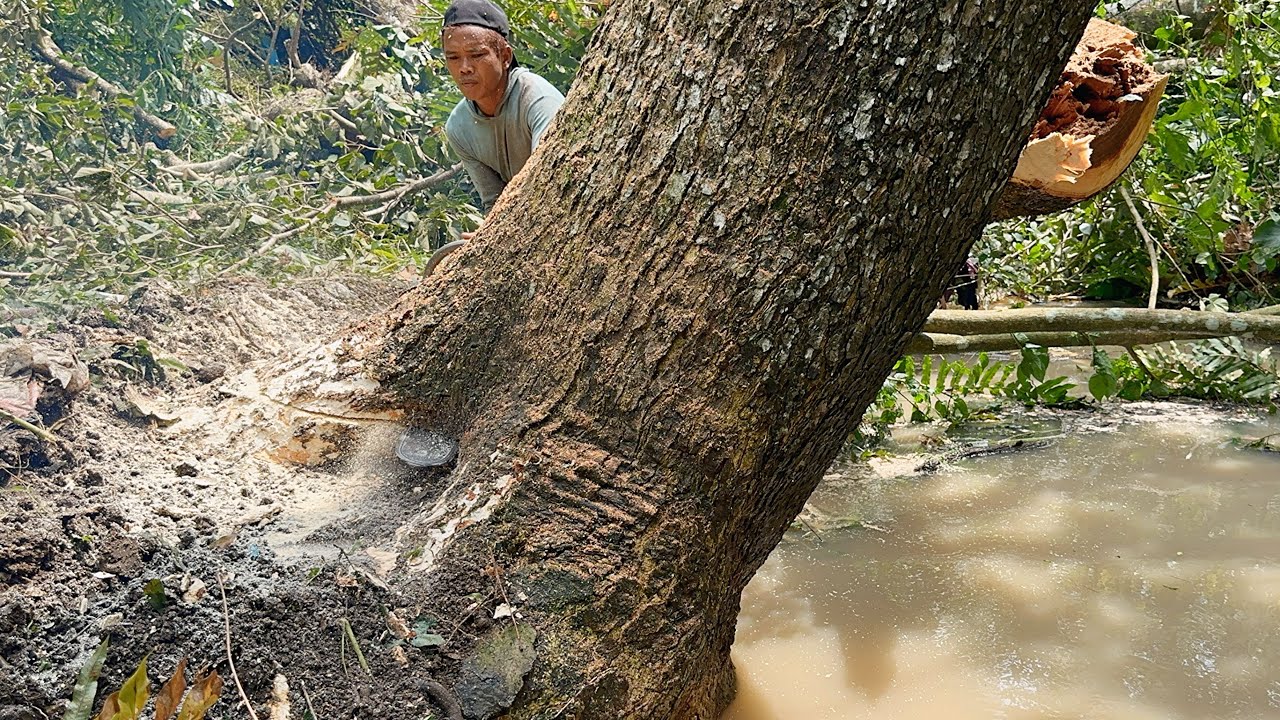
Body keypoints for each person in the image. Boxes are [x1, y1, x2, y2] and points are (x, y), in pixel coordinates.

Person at [441, 0, 565, 217]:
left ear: (505, 57)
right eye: (453, 58)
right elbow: (494, 203)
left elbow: (549, 181)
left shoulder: (538, 99)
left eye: (477, 55)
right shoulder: (458, 127)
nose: (464, 68)